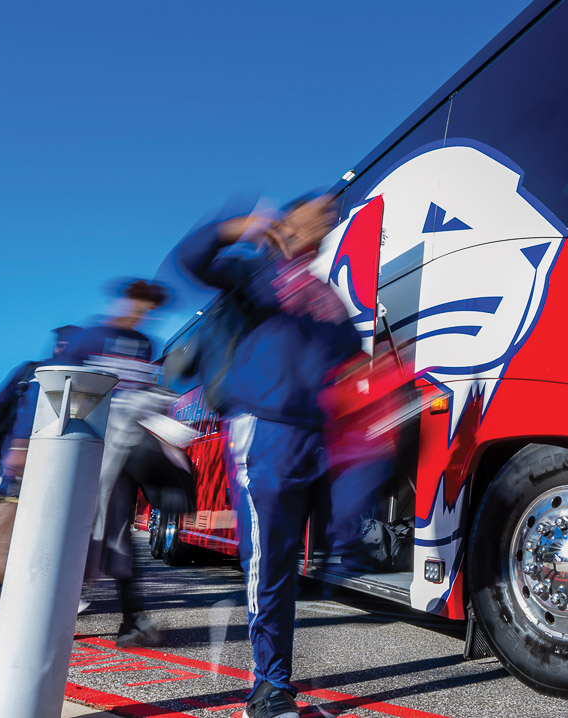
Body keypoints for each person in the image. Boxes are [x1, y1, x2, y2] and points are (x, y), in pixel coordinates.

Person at [176, 190, 362, 718]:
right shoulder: (255, 274)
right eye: (319, 209)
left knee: (301, 555)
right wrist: (237, 228)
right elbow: (190, 260)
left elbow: (350, 365)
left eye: (333, 215)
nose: (327, 219)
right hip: (266, 430)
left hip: (316, 438)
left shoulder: (329, 299)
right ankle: (268, 687)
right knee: (270, 559)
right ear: (291, 217)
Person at [57, 279, 170, 645]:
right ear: (123, 301)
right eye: (138, 302)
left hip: (120, 455)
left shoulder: (144, 344)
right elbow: (58, 387)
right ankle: (52, 610)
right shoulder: (89, 338)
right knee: (71, 531)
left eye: (150, 307)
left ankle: (132, 620)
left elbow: (143, 391)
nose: (143, 312)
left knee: (118, 534)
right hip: (83, 449)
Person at [0, 325, 82, 494]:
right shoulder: (30, 371)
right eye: (60, 344)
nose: (63, 349)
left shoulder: (88, 377)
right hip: (14, 461)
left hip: (63, 463)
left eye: (69, 345)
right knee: (5, 509)